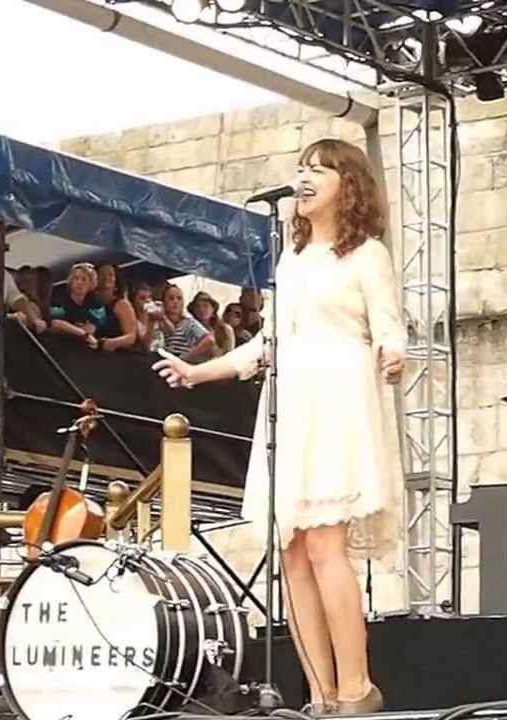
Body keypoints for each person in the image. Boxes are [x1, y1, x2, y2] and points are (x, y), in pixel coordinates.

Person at [152, 138, 405, 715]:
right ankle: (318, 694)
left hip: (338, 398)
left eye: (319, 169)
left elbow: (390, 327)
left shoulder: (367, 255)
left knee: (324, 545)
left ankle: (356, 688)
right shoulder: (289, 261)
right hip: (291, 401)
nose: (305, 178)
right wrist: (198, 373)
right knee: (291, 550)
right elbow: (267, 346)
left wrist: (392, 354)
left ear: (350, 184)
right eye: (302, 169)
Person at [49, 262, 107, 347]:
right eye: (76, 279)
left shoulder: (95, 302)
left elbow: (93, 327)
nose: (79, 282)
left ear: (91, 284)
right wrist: (82, 333)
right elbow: (55, 323)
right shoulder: (59, 300)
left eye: (84, 279)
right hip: (61, 344)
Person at [156, 284, 213, 361]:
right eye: (171, 298)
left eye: (179, 298)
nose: (175, 301)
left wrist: (186, 357)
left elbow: (209, 339)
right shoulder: (159, 323)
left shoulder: (188, 323)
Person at [92, 262, 139, 352]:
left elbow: (131, 336)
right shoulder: (91, 304)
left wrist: (112, 343)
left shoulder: (121, 304)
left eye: (110, 274)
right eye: (102, 274)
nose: (106, 277)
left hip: (119, 355)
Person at [189, 291, 233, 357]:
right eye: (197, 306)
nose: (201, 309)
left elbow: (228, 355)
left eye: (205, 306)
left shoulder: (225, 329)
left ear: (213, 309)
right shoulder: (189, 329)